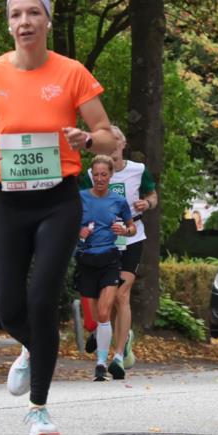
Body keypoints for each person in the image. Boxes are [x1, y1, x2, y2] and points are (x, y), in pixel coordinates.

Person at [0, 0, 114, 435]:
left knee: (42, 299)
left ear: (46, 20)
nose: (24, 22)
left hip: (58, 200)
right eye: (16, 15)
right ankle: (32, 348)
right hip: (8, 201)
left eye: (33, 14)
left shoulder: (72, 73)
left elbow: (106, 132)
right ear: (8, 23)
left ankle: (38, 408)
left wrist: (87, 140)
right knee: (8, 308)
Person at [79, 125, 158, 375]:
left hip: (131, 237)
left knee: (122, 295)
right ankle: (107, 333)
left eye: (115, 144)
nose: (111, 148)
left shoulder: (138, 170)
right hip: (100, 241)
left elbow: (153, 195)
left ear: (123, 145)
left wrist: (147, 202)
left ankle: (119, 355)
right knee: (104, 299)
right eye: (106, 144)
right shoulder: (93, 173)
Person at [77, 156, 136, 381]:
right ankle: (99, 341)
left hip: (110, 260)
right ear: (92, 175)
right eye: (96, 175)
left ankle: (101, 364)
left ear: (111, 176)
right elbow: (68, 224)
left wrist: (124, 230)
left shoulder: (118, 201)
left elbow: (131, 228)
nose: (100, 179)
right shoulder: (80, 197)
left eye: (104, 174)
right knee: (92, 320)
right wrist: (79, 232)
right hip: (86, 260)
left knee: (104, 313)